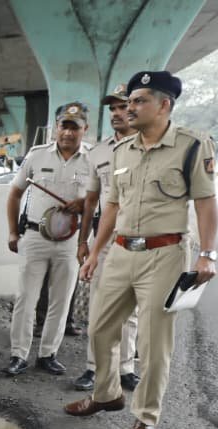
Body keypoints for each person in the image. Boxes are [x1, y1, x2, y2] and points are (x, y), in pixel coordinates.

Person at [66, 70, 218, 429]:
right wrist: (96, 251)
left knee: (153, 344)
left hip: (164, 254)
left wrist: (207, 255)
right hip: (120, 251)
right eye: (129, 102)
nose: (129, 108)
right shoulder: (121, 151)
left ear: (164, 105)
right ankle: (106, 394)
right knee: (100, 329)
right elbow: (111, 206)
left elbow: (205, 202)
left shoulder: (191, 146)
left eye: (139, 101)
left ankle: (146, 418)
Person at [1, 102, 91, 377]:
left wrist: (84, 204)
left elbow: (103, 202)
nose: (68, 132)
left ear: (84, 130)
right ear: (55, 128)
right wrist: (13, 232)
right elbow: (15, 193)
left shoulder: (95, 161)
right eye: (64, 125)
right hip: (34, 237)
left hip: (69, 243)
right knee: (26, 299)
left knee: (61, 301)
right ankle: (19, 355)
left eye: (75, 127)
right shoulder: (37, 156)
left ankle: (48, 354)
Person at [74, 84, 140, 393]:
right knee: (100, 304)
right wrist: (83, 242)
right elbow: (91, 200)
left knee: (131, 307)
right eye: (111, 108)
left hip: (138, 234)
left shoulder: (148, 147)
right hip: (104, 235)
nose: (116, 113)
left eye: (121, 106)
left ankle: (126, 367)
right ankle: (93, 367)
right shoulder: (98, 152)